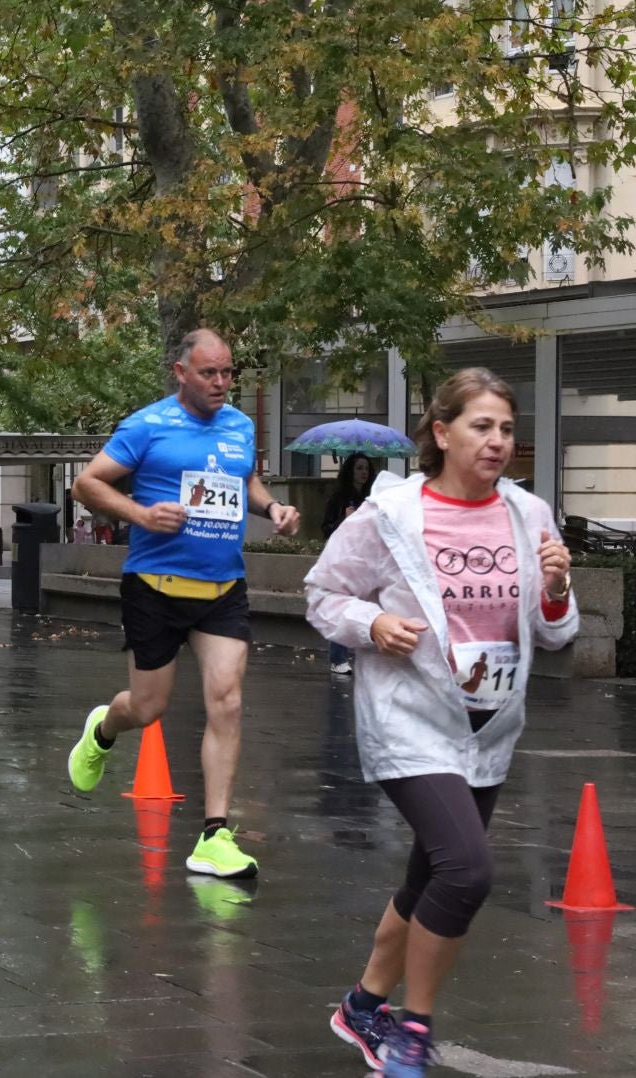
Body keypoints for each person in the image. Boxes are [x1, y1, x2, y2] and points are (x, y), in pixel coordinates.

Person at [305, 369, 575, 1078]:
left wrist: (556, 588)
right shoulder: (390, 515)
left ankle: (362, 1005)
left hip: (489, 726)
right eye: (482, 426)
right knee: (467, 870)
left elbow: (554, 634)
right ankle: (414, 1028)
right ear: (442, 432)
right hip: (410, 719)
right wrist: (373, 622)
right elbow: (323, 596)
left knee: (431, 872)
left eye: (507, 429)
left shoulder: (529, 515)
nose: (497, 441)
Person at [66, 328, 300, 879]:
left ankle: (214, 836)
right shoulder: (147, 425)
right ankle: (103, 729)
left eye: (227, 372)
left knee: (227, 701)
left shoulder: (239, 425)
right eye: (208, 373)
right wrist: (142, 515)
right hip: (155, 586)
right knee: (147, 708)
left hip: (222, 589)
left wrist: (273, 508)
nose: (220, 382)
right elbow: (86, 484)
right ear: (181, 372)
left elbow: (246, 479)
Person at [322, 452, 378, 675]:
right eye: (359, 468)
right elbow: (326, 529)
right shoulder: (339, 498)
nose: (364, 473)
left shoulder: (371, 497)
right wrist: (344, 519)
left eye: (366, 469)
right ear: (350, 471)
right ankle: (338, 658)